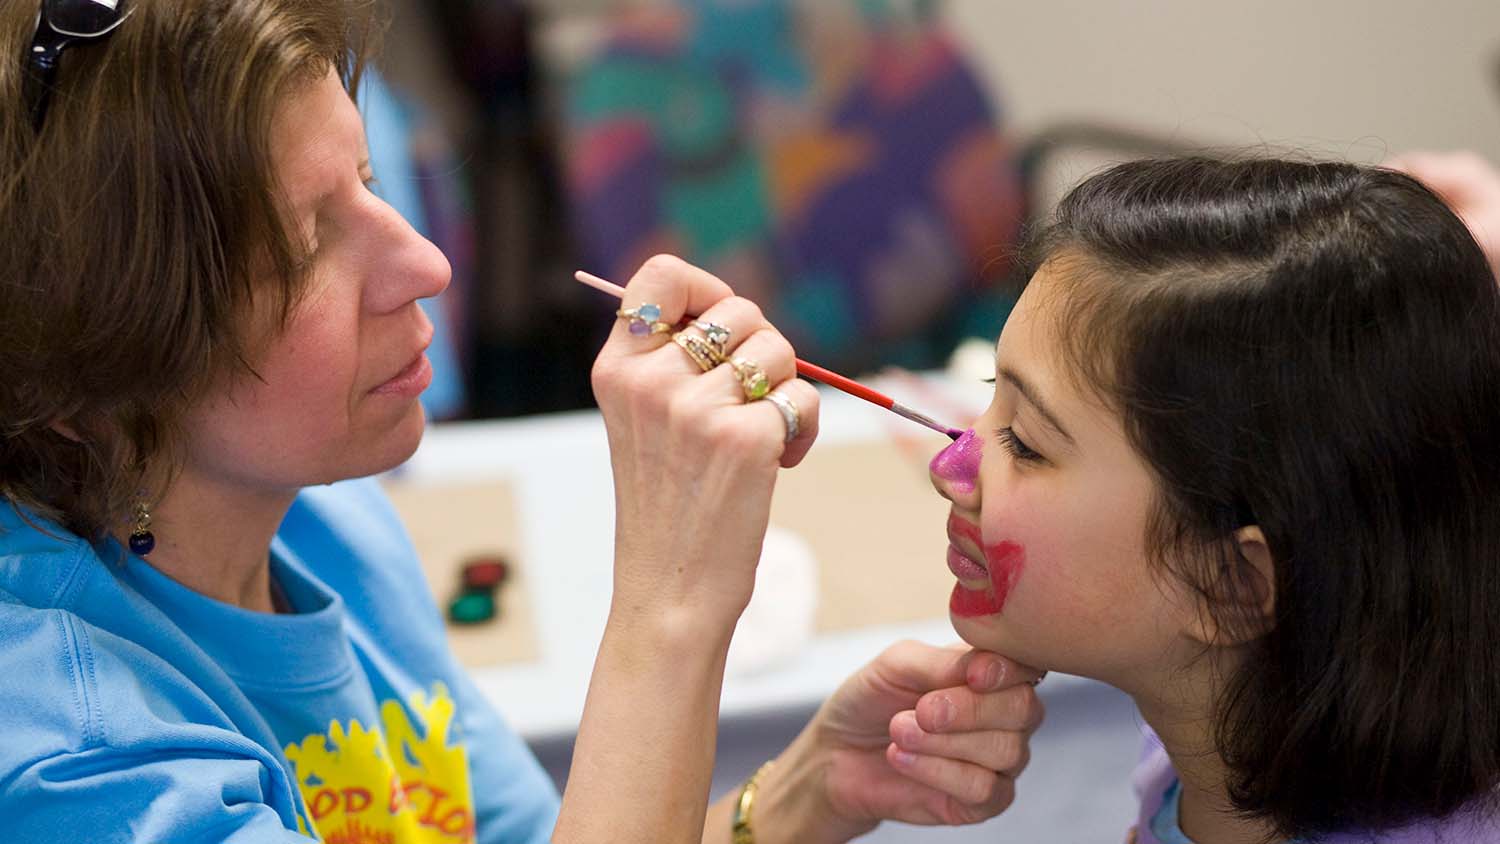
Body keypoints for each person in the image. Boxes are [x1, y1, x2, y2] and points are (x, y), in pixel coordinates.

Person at [0, 2, 1044, 842]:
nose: (428, 266)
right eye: (308, 243)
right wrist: (670, 608)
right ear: (78, 358)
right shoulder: (82, 764)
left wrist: (804, 796)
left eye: (367, 181)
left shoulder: (322, 529)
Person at [926, 156, 1500, 843]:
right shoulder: (1207, 735)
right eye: (991, 391)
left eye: (1024, 443)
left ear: (1229, 585)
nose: (948, 466)